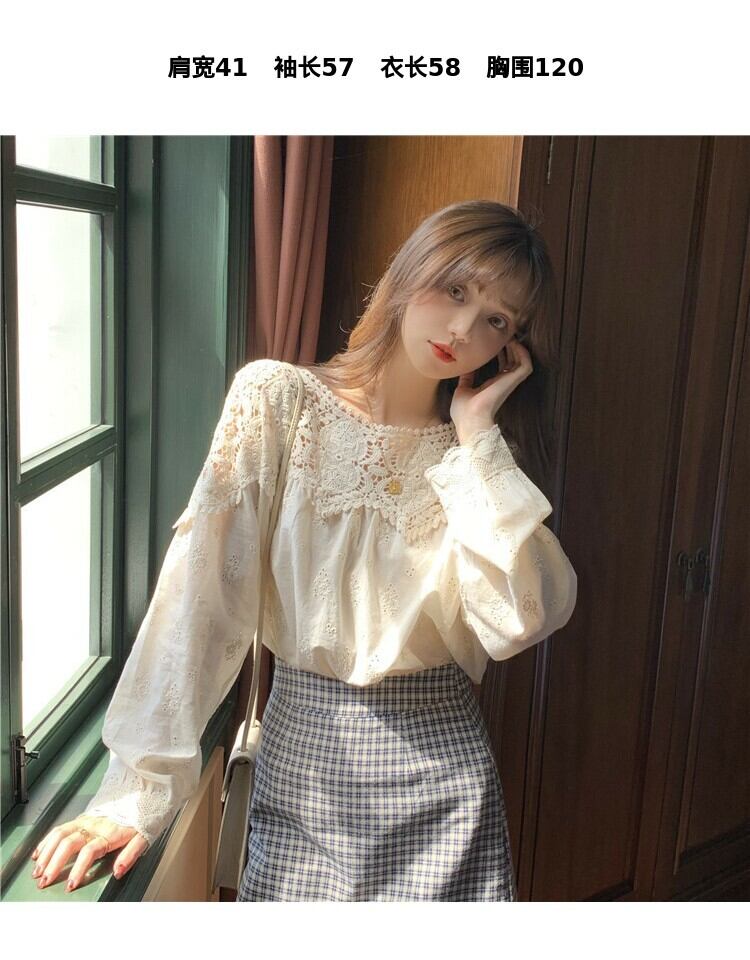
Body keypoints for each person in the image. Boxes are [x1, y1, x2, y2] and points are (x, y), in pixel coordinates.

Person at [29, 199, 577, 900]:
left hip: (445, 784)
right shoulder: (278, 399)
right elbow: (200, 595)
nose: (463, 329)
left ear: (511, 346)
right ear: (411, 272)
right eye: (455, 289)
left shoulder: (480, 461)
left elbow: (520, 618)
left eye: (497, 320)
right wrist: (139, 788)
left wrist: (475, 435)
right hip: (304, 765)